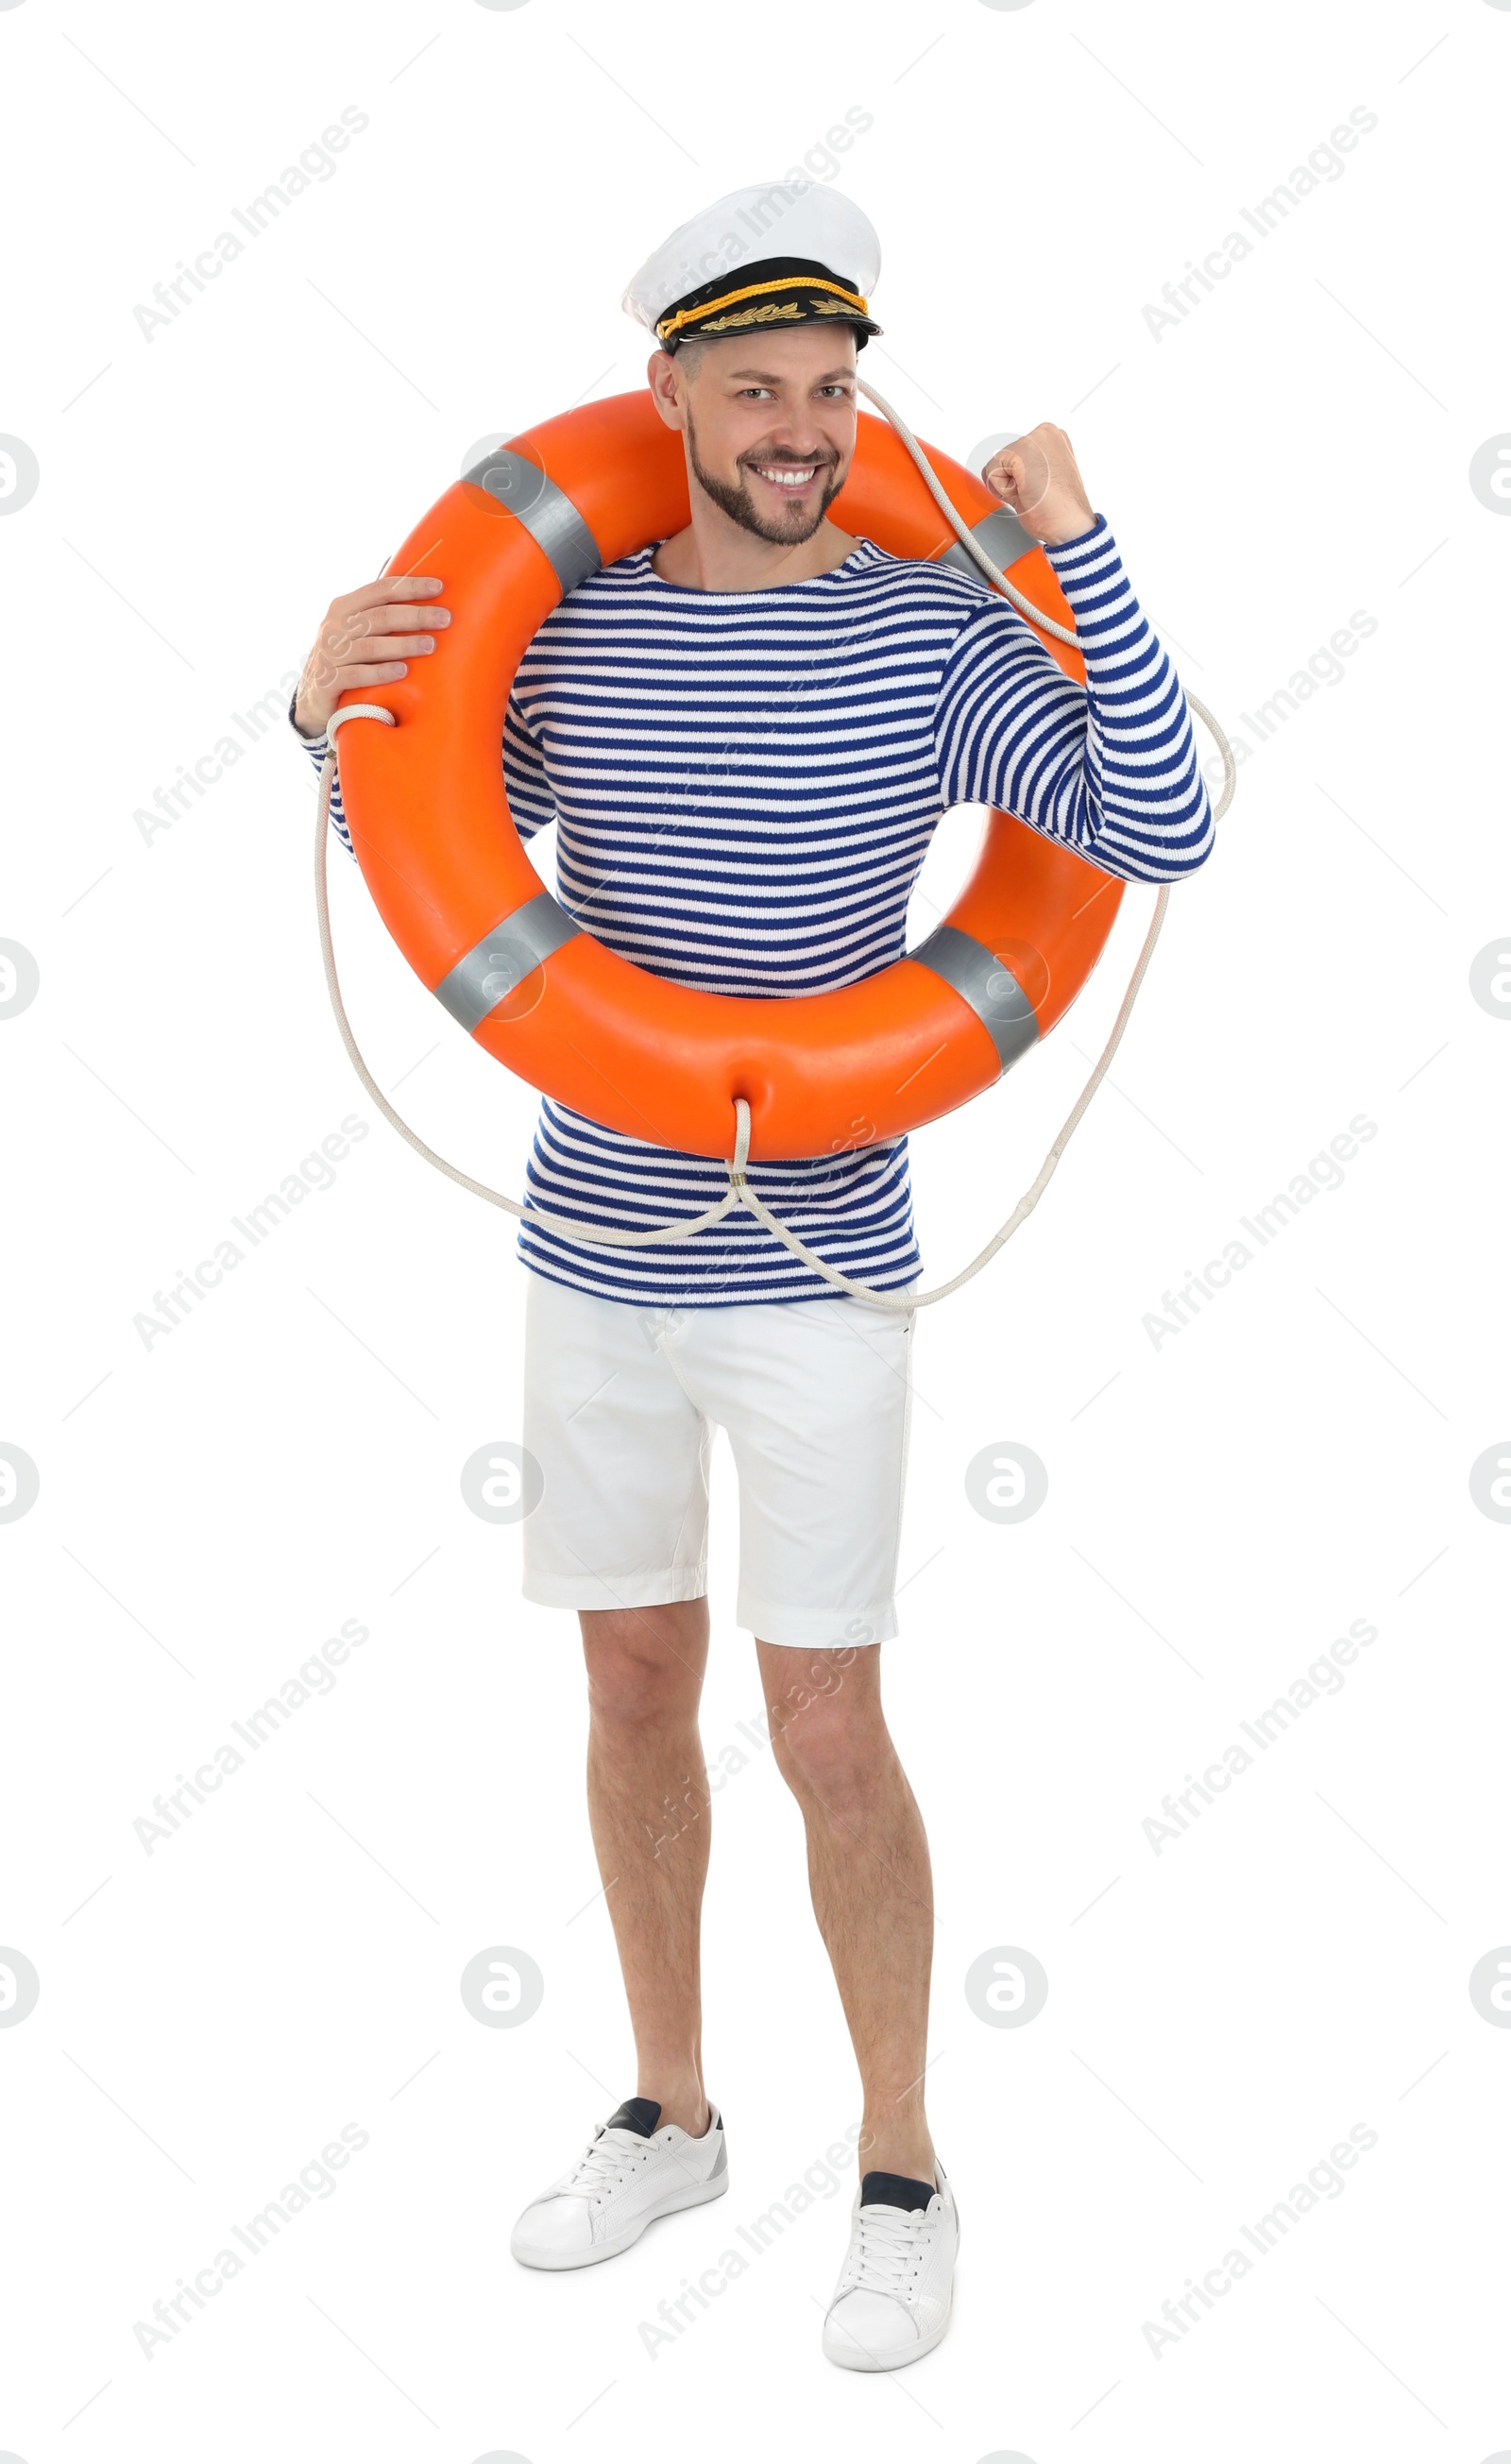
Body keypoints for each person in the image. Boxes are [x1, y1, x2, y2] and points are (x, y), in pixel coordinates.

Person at [292, 182, 1214, 2372]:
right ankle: (673, 2111)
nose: (800, 427)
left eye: (829, 390)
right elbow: (432, 850)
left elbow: (1158, 822)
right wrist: (318, 710)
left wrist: (1069, 540)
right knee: (622, 1687)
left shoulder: (938, 632)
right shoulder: (584, 623)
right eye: (756, 388)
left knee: (824, 1721)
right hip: (590, 1250)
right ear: (668, 399)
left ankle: (898, 2167)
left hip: (823, 1266)